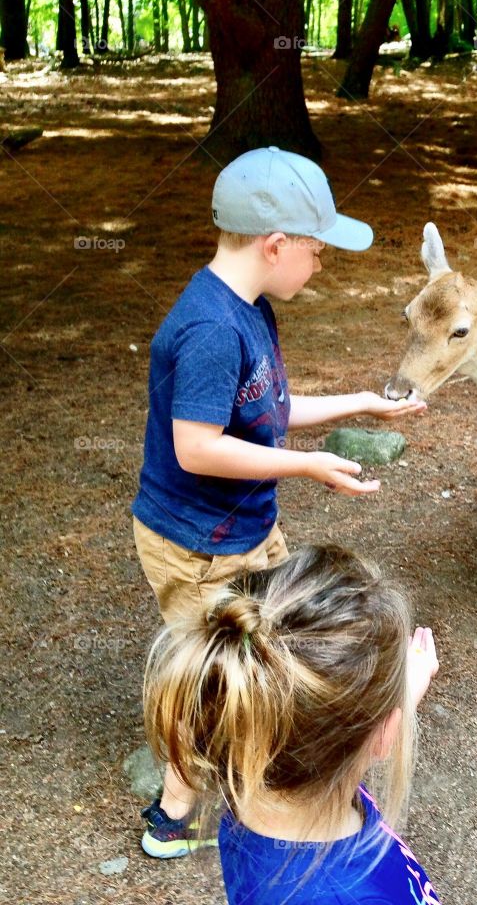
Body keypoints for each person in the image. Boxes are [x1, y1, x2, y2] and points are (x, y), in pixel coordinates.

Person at [131, 146, 425, 857]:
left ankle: (263, 772)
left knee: (271, 650)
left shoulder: (252, 308)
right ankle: (174, 818)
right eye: (316, 251)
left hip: (242, 530)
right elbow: (196, 446)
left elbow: (262, 411)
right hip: (199, 544)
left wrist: (359, 405)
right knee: (215, 676)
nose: (320, 264)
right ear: (275, 244)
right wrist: (310, 467)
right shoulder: (209, 328)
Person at [143, 546, 442, 904]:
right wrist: (394, 706)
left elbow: (325, 733)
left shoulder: (253, 801)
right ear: (383, 734)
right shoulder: (348, 892)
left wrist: (393, 708)